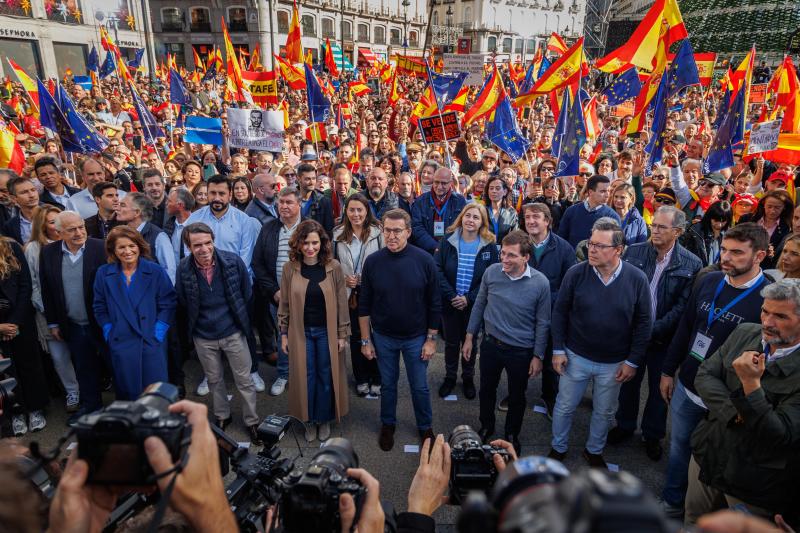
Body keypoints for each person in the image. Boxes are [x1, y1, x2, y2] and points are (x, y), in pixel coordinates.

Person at [659, 222, 770, 519]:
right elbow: (686, 327)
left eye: (737, 252)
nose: (726, 257)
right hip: (687, 388)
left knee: (716, 458)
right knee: (679, 450)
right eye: (724, 249)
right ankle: (672, 503)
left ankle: (704, 515)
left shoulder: (768, 298)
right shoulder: (709, 281)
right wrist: (668, 371)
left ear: (759, 256)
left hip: (727, 401)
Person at [686, 279, 800, 526]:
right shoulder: (745, 332)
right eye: (765, 311)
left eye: (781, 316)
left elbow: (780, 434)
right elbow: (705, 374)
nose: (767, 322)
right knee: (694, 522)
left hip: (754, 481)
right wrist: (735, 414)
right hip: (709, 456)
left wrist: (751, 385)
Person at [549, 218, 653, 468]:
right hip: (575, 356)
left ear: (619, 250)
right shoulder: (576, 273)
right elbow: (560, 312)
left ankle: (594, 451)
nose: (591, 250)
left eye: (600, 246)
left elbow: (644, 323)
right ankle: (558, 447)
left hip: (614, 362)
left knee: (604, 411)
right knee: (564, 406)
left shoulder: (636, 279)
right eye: (590, 243)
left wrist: (632, 361)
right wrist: (558, 349)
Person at [607, 207, 702, 461]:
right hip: (632, 334)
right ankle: (625, 425)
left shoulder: (692, 263)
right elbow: (623, 291)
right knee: (628, 383)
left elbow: (683, 307)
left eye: (661, 227)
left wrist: (652, 329)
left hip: (665, 338)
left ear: (677, 232)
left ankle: (652, 435)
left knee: (660, 390)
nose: (655, 231)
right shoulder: (634, 252)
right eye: (654, 225)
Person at [359, 209, 441, 451]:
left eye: (397, 231)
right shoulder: (373, 262)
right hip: (383, 337)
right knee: (388, 384)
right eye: (387, 230)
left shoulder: (424, 260)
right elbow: (364, 303)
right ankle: (388, 424)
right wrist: (365, 340)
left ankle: (425, 427)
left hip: (416, 337)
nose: (391, 236)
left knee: (419, 386)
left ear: (408, 232)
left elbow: (435, 303)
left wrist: (431, 339)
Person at [462, 230, 550, 454]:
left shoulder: (541, 283)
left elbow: (543, 322)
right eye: (503, 253)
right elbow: (479, 305)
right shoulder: (492, 272)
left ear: (526, 257)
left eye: (511, 255)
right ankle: (486, 426)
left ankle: (512, 434)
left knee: (517, 395)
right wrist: (469, 337)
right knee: (486, 390)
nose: (504, 259)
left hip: (521, 351)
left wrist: (538, 356)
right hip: (491, 345)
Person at [176, 223, 261, 444]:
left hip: (232, 332)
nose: (204, 249)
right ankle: (223, 416)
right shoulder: (183, 267)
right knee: (214, 380)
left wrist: (239, 323)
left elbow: (246, 293)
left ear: (213, 241)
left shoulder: (233, 261)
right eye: (197, 245)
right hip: (203, 336)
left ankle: (252, 421)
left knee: (245, 380)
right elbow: (183, 300)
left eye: (208, 243)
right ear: (188, 247)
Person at [278, 220, 350, 442]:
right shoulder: (289, 268)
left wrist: (342, 334)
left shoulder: (334, 267)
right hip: (300, 332)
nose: (310, 247)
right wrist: (283, 334)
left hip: (327, 332)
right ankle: (308, 420)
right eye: (305, 243)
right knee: (305, 376)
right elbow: (284, 304)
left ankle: (324, 418)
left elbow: (342, 304)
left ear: (322, 243)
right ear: (298, 244)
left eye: (314, 242)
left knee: (326, 375)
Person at [93, 226, 177, 400]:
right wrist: (109, 330)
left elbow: (168, 303)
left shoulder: (155, 271)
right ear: (113, 250)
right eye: (121, 247)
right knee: (128, 393)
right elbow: (99, 306)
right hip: (121, 341)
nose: (127, 251)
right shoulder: (103, 273)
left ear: (139, 246)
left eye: (132, 246)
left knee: (155, 394)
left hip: (150, 340)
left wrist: (158, 332)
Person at [40, 211, 107, 417]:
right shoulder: (48, 252)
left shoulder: (101, 247)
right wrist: (53, 323)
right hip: (74, 324)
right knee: (84, 368)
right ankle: (92, 407)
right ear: (59, 232)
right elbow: (47, 290)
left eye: (81, 227)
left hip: (103, 322)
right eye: (72, 230)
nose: (79, 233)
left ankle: (126, 408)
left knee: (116, 364)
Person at [435, 203, 499, 400]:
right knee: (451, 343)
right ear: (461, 217)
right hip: (450, 302)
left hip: (474, 304)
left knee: (471, 342)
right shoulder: (448, 240)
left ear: (482, 222)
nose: (471, 220)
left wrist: (469, 298)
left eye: (476, 217)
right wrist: (452, 295)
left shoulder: (489, 244)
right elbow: (437, 269)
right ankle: (450, 377)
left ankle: (468, 377)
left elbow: (490, 276)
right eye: (468, 215)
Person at [521, 202, 576, 416]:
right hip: (523, 315)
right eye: (527, 217)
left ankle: (550, 396)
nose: (531, 221)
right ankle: (518, 393)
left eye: (536, 217)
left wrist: (543, 299)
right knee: (521, 355)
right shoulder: (519, 244)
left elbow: (569, 287)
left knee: (551, 359)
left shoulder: (564, 248)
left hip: (552, 314)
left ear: (548, 221)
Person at [24, 206, 80, 413]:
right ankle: (72, 391)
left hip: (76, 309)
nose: (57, 226)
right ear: (42, 226)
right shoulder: (33, 249)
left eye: (59, 221)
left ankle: (89, 388)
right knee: (59, 357)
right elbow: (33, 284)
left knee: (82, 353)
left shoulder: (73, 242)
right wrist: (50, 311)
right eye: (51, 222)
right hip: (47, 312)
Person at [253, 187, 304, 396]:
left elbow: (322, 261)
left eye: (288, 202)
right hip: (278, 297)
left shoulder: (310, 228)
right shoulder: (269, 229)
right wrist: (274, 291)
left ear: (299, 204)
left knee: (306, 336)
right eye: (281, 202)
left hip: (306, 296)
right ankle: (283, 374)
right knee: (285, 335)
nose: (283, 206)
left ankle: (305, 375)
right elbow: (257, 263)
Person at [333, 194, 384, 397]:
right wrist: (344, 279)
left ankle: (377, 377)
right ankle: (361, 377)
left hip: (373, 292)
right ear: (346, 212)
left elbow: (385, 262)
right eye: (351, 210)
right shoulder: (337, 234)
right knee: (355, 336)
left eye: (359, 210)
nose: (356, 214)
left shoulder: (378, 233)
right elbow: (332, 265)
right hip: (349, 294)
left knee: (374, 334)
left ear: (366, 211)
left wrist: (368, 277)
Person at [0, 235, 48, 435]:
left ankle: (36, 409)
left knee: (29, 364)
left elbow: (25, 284)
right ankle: (16, 412)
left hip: (20, 320)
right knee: (5, 372)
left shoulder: (11, 246)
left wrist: (15, 322)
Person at [117, 192, 177, 285]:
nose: (117, 208)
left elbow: (170, 271)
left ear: (137, 212)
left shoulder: (159, 236)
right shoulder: (119, 233)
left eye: (123, 205)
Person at [411, 168, 467, 254]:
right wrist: (436, 247)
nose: (439, 187)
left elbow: (462, 227)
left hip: (451, 251)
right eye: (436, 182)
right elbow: (417, 227)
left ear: (451, 183)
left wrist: (446, 247)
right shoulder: (420, 201)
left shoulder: (459, 201)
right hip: (426, 252)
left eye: (444, 183)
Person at [557, 175, 621, 248]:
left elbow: (615, 246)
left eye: (609, 191)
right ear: (590, 192)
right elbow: (561, 240)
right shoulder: (571, 211)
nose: (607, 195)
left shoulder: (612, 217)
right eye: (603, 191)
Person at [739, 189, 793, 269]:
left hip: (767, 269)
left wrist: (771, 253)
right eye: (769, 206)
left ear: (784, 207)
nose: (772, 211)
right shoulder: (746, 219)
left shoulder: (788, 228)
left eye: (777, 208)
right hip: (742, 263)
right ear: (763, 204)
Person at [681, 201, 734, 267]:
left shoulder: (729, 235)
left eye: (723, 221)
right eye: (716, 220)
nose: (719, 224)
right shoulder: (695, 231)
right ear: (710, 216)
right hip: (697, 271)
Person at [296, 163, 334, 236]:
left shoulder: (324, 202)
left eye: (313, 178)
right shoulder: (291, 200)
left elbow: (328, 231)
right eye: (307, 179)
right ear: (298, 179)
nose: (312, 182)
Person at [3, 175, 40, 244]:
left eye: (33, 190)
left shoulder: (53, 213)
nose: (32, 195)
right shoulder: (10, 226)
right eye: (24, 192)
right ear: (13, 198)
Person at [482, 176, 519, 244]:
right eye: (491, 188)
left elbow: (515, 236)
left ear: (505, 192)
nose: (494, 191)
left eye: (498, 188)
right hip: (485, 248)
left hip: (505, 248)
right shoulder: (481, 210)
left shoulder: (511, 213)